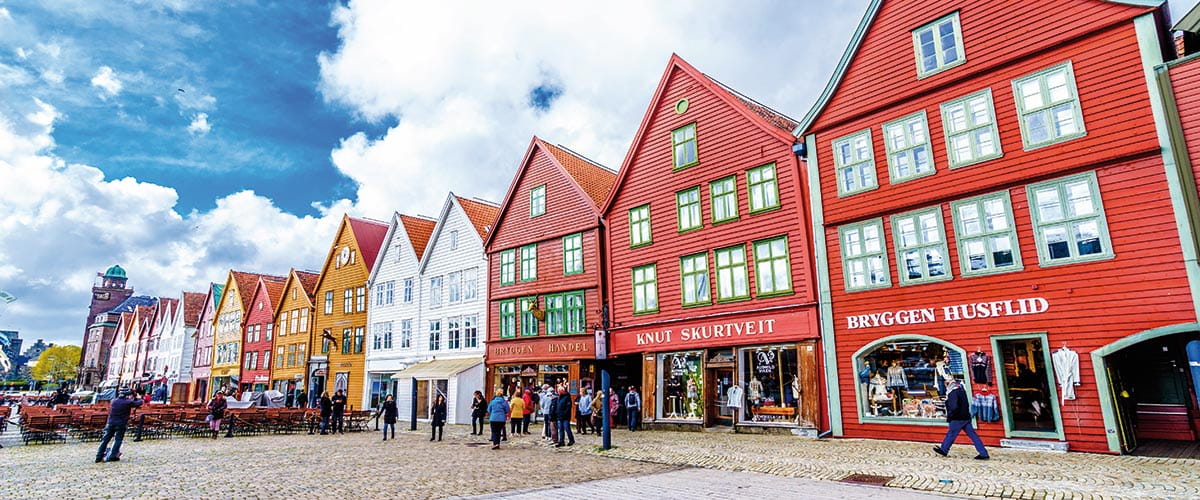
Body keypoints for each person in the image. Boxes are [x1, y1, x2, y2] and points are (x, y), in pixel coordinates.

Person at [933, 378, 990, 460]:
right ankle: (983, 453)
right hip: (965, 417)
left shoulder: (952, 393)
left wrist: (950, 415)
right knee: (973, 436)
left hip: (957, 418)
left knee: (951, 434)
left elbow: (954, 407)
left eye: (946, 384)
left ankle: (944, 450)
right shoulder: (962, 392)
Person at [95, 389, 143, 462]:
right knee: (118, 439)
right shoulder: (127, 402)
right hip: (121, 423)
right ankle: (113, 455)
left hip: (110, 422)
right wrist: (139, 397)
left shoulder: (114, 401)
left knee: (105, 439)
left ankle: (99, 455)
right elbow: (139, 403)